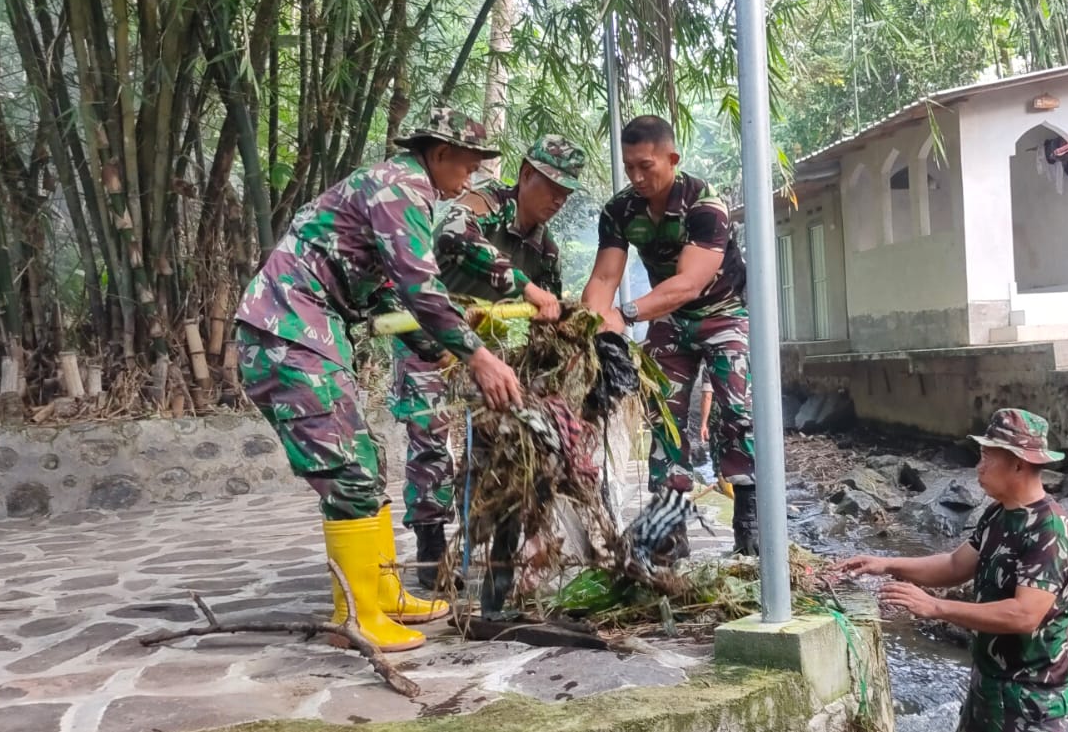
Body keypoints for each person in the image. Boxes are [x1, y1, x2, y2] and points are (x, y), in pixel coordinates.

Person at [233, 107, 523, 653]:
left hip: (309, 331)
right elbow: (421, 286)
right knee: (349, 471)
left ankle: (382, 588)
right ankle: (360, 615)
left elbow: (385, 295)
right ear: (439, 155)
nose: (471, 179)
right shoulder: (400, 189)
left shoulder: (393, 190)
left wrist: (433, 347)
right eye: (467, 166)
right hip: (288, 333)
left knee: (369, 461)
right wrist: (478, 357)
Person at [838, 409, 1068, 732]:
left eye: (988, 456)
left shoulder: (1048, 530)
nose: (978, 465)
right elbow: (954, 565)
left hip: (1031, 695)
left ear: (1019, 463)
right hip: (989, 682)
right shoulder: (998, 516)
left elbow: (1025, 615)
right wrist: (887, 563)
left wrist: (936, 609)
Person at [389, 136, 585, 613]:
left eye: (567, 192)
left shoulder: (546, 248)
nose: (558, 199)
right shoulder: (481, 205)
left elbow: (547, 314)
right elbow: (454, 237)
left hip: (494, 354)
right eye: (551, 185)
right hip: (430, 338)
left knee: (510, 443)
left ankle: (502, 546)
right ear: (524, 175)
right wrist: (524, 286)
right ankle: (433, 546)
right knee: (430, 435)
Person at [580, 115, 759, 554]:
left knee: (737, 409)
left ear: (672, 158)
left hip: (723, 312)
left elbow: (689, 284)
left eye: (646, 166)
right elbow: (604, 277)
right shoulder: (620, 210)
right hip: (668, 319)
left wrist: (624, 314)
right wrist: (590, 329)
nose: (637, 177)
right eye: (629, 168)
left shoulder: (705, 207)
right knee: (663, 416)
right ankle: (669, 529)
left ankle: (750, 522)